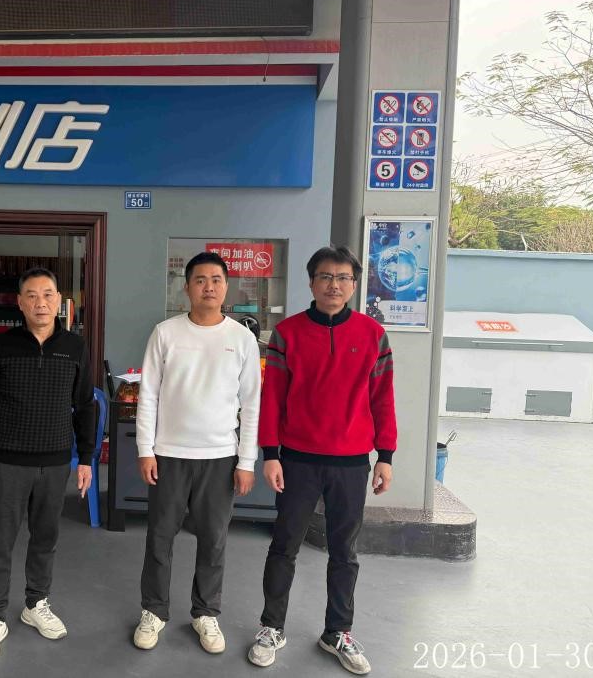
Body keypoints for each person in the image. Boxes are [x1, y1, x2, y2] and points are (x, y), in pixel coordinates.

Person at [247, 246, 397, 675]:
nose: (335, 285)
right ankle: (271, 627)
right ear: (311, 282)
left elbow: (382, 398)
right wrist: (270, 454)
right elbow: (272, 398)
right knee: (284, 545)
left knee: (344, 551)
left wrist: (385, 455)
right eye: (326, 277)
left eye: (343, 278)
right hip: (297, 460)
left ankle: (338, 632)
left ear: (354, 284)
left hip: (351, 462)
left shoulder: (372, 334)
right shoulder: (287, 334)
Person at [0, 267, 96, 664]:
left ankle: (36, 603)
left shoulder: (75, 347)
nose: (40, 303)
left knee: (45, 537)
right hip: (9, 460)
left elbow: (85, 406)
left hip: (55, 461)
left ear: (59, 302)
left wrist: (86, 458)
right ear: (19, 303)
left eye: (47, 294)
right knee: (1, 539)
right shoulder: (1, 347)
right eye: (32, 295)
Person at [133, 251, 261, 654]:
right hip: (168, 455)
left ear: (226, 287)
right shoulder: (165, 333)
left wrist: (246, 461)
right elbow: (148, 395)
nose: (209, 287)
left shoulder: (241, 338)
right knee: (160, 536)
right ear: (186, 287)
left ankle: (205, 612)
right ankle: (154, 610)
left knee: (214, 539)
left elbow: (251, 404)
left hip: (220, 457)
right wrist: (145, 449)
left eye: (216, 280)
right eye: (200, 280)